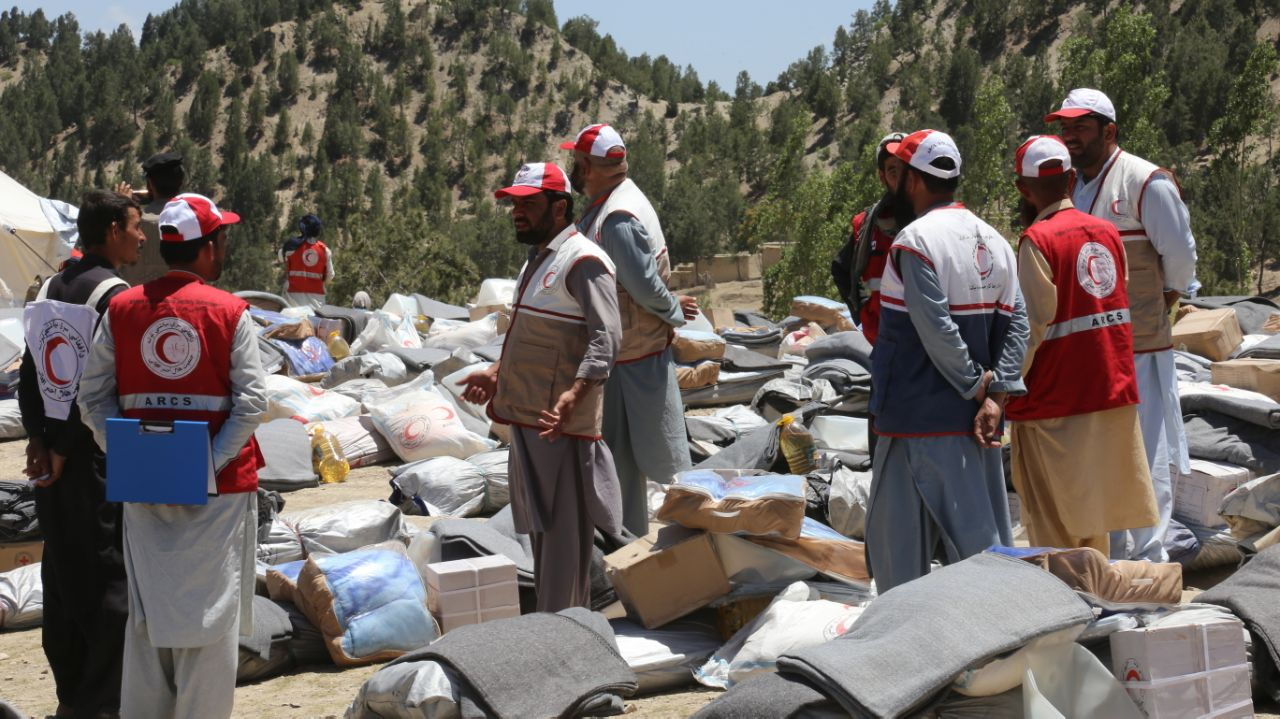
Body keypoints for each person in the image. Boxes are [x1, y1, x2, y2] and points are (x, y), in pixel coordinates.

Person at [78, 193, 267, 719]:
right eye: (222, 238)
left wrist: (132, 454)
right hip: (219, 493)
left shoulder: (122, 309)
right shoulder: (230, 312)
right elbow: (253, 402)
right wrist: (204, 464)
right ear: (208, 249)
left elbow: (91, 398)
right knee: (210, 623)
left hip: (144, 486)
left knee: (148, 621)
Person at [863, 129, 1029, 593]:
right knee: (983, 550)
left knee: (899, 559)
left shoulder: (915, 241)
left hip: (915, 422)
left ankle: (914, 653)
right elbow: (1019, 324)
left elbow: (937, 331)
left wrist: (978, 386)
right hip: (978, 425)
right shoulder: (996, 240)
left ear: (913, 180)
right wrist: (996, 396)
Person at [459, 162, 624, 611]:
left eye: (528, 204)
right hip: (532, 423)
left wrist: (576, 394)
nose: (517, 212)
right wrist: (496, 375)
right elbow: (536, 338)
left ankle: (565, 635)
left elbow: (606, 336)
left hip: (561, 427)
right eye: (513, 203)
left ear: (559, 207)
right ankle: (558, 629)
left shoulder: (583, 260)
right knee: (543, 536)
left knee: (564, 542)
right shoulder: (540, 259)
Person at [1046, 88, 1197, 561]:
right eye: (1065, 129)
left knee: (1144, 453)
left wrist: (1163, 300)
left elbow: (1181, 260)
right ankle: (1111, 557)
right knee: (1102, 455)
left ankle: (1149, 560)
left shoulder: (1144, 181)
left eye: (1081, 128)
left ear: (1109, 131)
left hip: (1140, 346)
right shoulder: (1072, 187)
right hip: (1090, 351)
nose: (1070, 137)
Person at [18, 189, 143, 719]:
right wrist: (65, 447)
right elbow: (92, 387)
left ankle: (72, 693)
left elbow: (33, 372)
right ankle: (99, 701)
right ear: (113, 229)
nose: (142, 236)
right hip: (93, 458)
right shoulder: (115, 296)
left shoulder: (50, 286)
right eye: (136, 226)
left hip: (53, 459)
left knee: (62, 571)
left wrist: (39, 440)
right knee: (108, 576)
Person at [1005, 135, 1158, 554]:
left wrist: (1003, 386)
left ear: (1023, 188)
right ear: (1072, 179)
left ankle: (1069, 606)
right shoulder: (1107, 233)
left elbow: (1032, 326)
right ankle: (1097, 599)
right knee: (1094, 522)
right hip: (1112, 395)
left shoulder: (1038, 240)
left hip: (1056, 404)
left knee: (1053, 524)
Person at [562, 123, 697, 536]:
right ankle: (630, 545)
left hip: (638, 355)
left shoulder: (617, 215)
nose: (574, 168)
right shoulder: (611, 203)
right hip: (623, 355)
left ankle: (702, 542)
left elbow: (641, 285)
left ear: (590, 165)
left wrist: (672, 311)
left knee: (668, 462)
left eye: (578, 162)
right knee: (620, 460)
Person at [831, 131, 906, 344]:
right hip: (885, 340)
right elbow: (840, 268)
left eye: (905, 168)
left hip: (928, 343)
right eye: (892, 169)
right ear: (882, 177)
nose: (900, 176)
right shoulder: (867, 225)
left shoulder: (932, 219)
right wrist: (862, 314)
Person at [117, 152, 185, 287]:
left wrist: (122, 208)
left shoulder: (133, 223)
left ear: (150, 184)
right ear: (181, 181)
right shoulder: (195, 219)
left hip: (136, 301)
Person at [279, 213, 334, 309]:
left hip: (292, 301)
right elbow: (330, 276)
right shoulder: (325, 251)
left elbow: (281, 258)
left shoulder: (291, 246)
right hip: (317, 303)